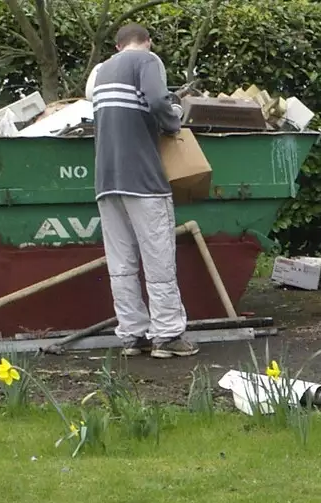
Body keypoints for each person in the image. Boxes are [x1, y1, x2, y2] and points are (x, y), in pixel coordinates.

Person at [88, 23, 195, 358]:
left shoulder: (101, 71)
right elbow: (156, 100)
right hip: (143, 179)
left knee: (121, 263)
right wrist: (174, 116)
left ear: (118, 46)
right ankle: (167, 336)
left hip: (106, 181)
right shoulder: (147, 60)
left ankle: (132, 336)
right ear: (146, 42)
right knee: (158, 256)